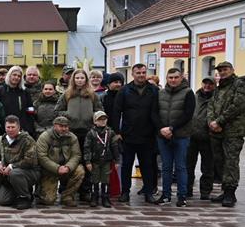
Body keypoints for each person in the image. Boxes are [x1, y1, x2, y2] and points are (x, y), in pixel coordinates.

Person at [114, 63, 161, 204]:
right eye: (138, 73)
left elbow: (157, 111)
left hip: (148, 134)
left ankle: (148, 193)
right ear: (132, 74)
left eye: (143, 72)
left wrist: (158, 130)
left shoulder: (153, 90)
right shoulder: (124, 90)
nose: (141, 75)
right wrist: (117, 132)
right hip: (128, 135)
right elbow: (116, 112)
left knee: (147, 166)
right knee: (127, 165)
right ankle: (125, 192)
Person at [56, 69, 103, 200]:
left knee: (87, 161)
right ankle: (65, 187)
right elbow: (57, 110)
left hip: (88, 132)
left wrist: (93, 116)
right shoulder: (67, 94)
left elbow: (100, 110)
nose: (80, 80)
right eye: (77, 78)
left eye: (82, 78)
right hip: (71, 132)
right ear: (73, 79)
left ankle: (85, 190)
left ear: (86, 80)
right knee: (69, 160)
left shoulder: (93, 95)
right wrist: (68, 115)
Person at [207, 61, 245, 207]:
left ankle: (230, 193)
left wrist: (219, 121)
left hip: (233, 131)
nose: (222, 72)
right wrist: (211, 122)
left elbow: (238, 106)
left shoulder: (240, 85)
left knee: (231, 162)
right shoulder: (219, 88)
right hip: (216, 131)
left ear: (232, 70)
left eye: (225, 69)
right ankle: (225, 191)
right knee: (220, 161)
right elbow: (211, 106)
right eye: (220, 70)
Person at [156, 67, 196, 206]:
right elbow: (154, 112)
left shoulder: (188, 93)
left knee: (180, 167)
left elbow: (188, 114)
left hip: (181, 135)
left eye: (176, 77)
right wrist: (162, 128)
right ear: (167, 79)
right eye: (170, 77)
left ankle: (182, 196)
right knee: (166, 167)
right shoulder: (160, 93)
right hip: (163, 136)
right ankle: (166, 195)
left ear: (181, 78)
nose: (173, 80)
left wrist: (172, 128)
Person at [0, 115, 40, 209]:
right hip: (8, 175)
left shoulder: (27, 140)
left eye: (13, 127)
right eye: (8, 127)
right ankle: (18, 191)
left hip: (29, 172)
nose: (10, 130)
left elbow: (30, 161)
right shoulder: (1, 140)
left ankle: (25, 198)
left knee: (14, 173)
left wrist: (11, 166)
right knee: (3, 201)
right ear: (5, 127)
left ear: (19, 127)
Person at [36, 116, 84, 207]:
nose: (64, 129)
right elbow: (41, 157)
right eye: (61, 126)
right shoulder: (45, 137)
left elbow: (76, 155)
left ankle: (67, 196)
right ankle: (40, 191)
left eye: (66, 126)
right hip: (49, 170)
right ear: (54, 126)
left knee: (80, 171)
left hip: (66, 168)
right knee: (48, 201)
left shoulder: (72, 137)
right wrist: (57, 168)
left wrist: (68, 167)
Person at [186, 77, 218, 200]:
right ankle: (187, 189)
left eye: (210, 84)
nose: (207, 86)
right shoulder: (194, 97)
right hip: (191, 136)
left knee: (207, 167)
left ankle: (205, 191)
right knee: (188, 165)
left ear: (214, 85)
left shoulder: (217, 98)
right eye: (205, 83)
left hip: (209, 138)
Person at [83, 111, 120, 207]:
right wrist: (87, 161)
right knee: (94, 179)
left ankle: (105, 197)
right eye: (100, 119)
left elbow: (115, 147)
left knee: (105, 179)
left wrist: (117, 160)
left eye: (104, 119)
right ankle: (94, 196)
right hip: (95, 161)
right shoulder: (91, 133)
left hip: (107, 160)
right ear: (95, 121)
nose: (103, 121)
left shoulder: (110, 133)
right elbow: (87, 148)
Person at [0, 66, 36, 135]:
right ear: (9, 75)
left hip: (21, 129)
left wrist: (28, 128)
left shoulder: (25, 91)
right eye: (14, 75)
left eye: (19, 76)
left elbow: (30, 110)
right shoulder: (0, 91)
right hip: (4, 129)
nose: (16, 77)